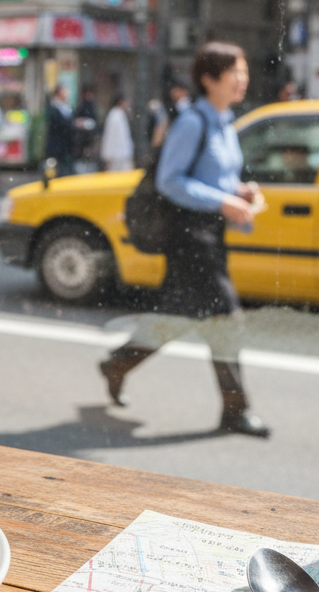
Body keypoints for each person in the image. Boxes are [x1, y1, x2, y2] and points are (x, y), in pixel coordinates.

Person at [98, 41, 270, 437]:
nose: (242, 79)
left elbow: (215, 178)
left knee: (172, 319)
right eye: (235, 73)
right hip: (190, 238)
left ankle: (117, 364)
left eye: (244, 72)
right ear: (209, 79)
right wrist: (223, 199)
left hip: (211, 235)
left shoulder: (225, 122)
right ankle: (235, 411)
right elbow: (170, 181)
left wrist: (239, 191)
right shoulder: (193, 121)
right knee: (226, 321)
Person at [45, 84, 75, 176]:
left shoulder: (65, 107)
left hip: (64, 145)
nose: (66, 95)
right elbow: (60, 124)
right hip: (57, 145)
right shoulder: (54, 107)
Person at [100, 94, 134, 172]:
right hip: (115, 156)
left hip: (122, 155)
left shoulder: (120, 115)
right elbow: (109, 137)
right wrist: (107, 156)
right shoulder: (113, 116)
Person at [73, 85, 99, 166]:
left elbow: (94, 119)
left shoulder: (91, 106)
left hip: (89, 134)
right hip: (81, 135)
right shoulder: (82, 105)